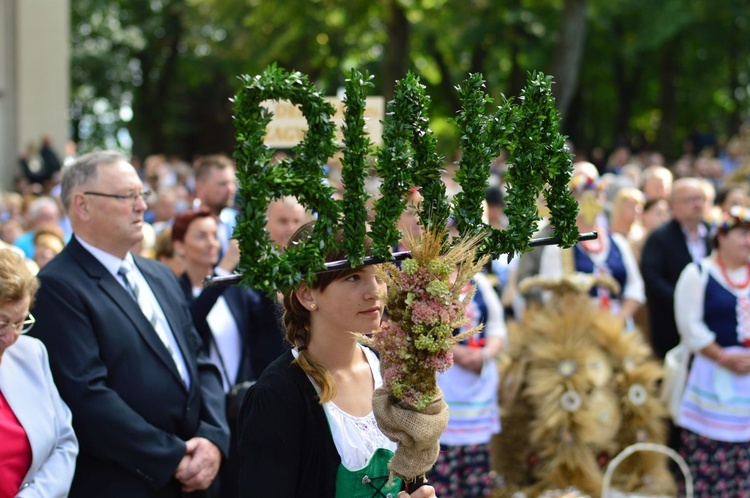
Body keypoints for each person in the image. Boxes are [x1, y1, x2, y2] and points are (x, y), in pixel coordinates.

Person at [29, 150, 230, 498]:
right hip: (129, 481)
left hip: (198, 475)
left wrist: (214, 438)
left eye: (142, 195)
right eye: (127, 196)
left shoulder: (160, 274)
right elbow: (87, 397)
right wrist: (174, 457)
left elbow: (200, 362)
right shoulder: (57, 287)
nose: (141, 206)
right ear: (82, 205)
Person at [237, 223, 437, 498]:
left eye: (379, 275)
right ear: (308, 294)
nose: (375, 292)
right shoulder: (277, 396)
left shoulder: (390, 371)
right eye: (354, 277)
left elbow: (412, 477)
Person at [172, 208, 259, 498]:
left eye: (214, 235)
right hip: (205, 415)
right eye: (201, 236)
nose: (212, 242)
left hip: (243, 406)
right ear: (179, 246)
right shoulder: (173, 291)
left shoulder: (235, 291)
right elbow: (190, 324)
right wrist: (222, 272)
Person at [673, 205, 750, 495]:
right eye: (742, 234)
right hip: (710, 374)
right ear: (721, 237)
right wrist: (723, 356)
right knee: (709, 457)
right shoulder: (698, 273)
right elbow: (690, 326)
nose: (748, 241)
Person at [0, 249, 78, 497]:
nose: (11, 337)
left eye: (21, 322)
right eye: (2, 324)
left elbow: (63, 442)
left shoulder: (30, 354)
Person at [428, 268, 506, 498]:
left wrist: (485, 354)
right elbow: (420, 329)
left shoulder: (478, 280)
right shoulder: (426, 281)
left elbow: (497, 326)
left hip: (477, 384)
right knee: (443, 464)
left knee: (476, 466)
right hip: (444, 377)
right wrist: (458, 354)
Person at [641, 178, 711, 359]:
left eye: (700, 198)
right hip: (672, 327)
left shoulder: (715, 235)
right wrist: (686, 302)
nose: (696, 204)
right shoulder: (659, 238)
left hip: (711, 324)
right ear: (673, 206)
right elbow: (653, 280)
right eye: (689, 200)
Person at [193, 155, 238, 258]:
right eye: (223, 184)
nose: (231, 189)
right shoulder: (182, 225)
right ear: (200, 187)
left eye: (232, 183)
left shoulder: (237, 220)